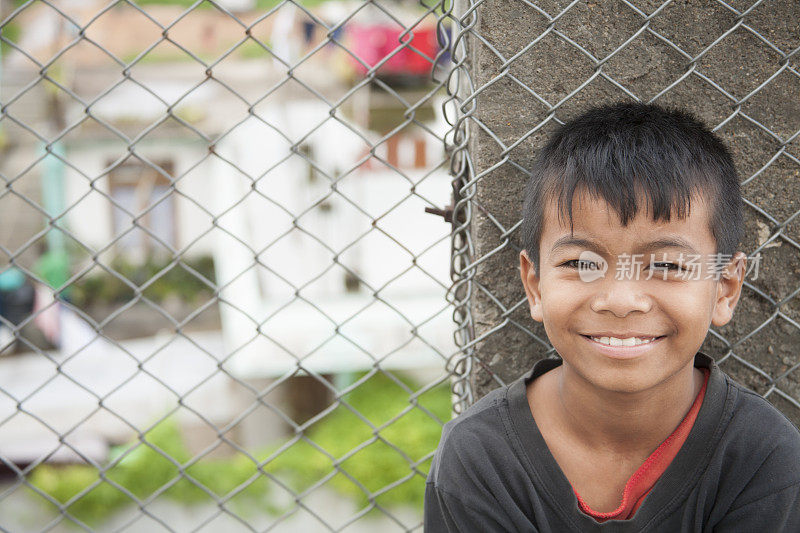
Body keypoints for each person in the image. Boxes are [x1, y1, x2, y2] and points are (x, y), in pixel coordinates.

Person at [424, 102, 800, 531]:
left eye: (668, 266)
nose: (621, 301)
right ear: (535, 285)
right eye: (583, 264)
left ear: (725, 289)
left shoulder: (763, 458)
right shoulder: (480, 457)